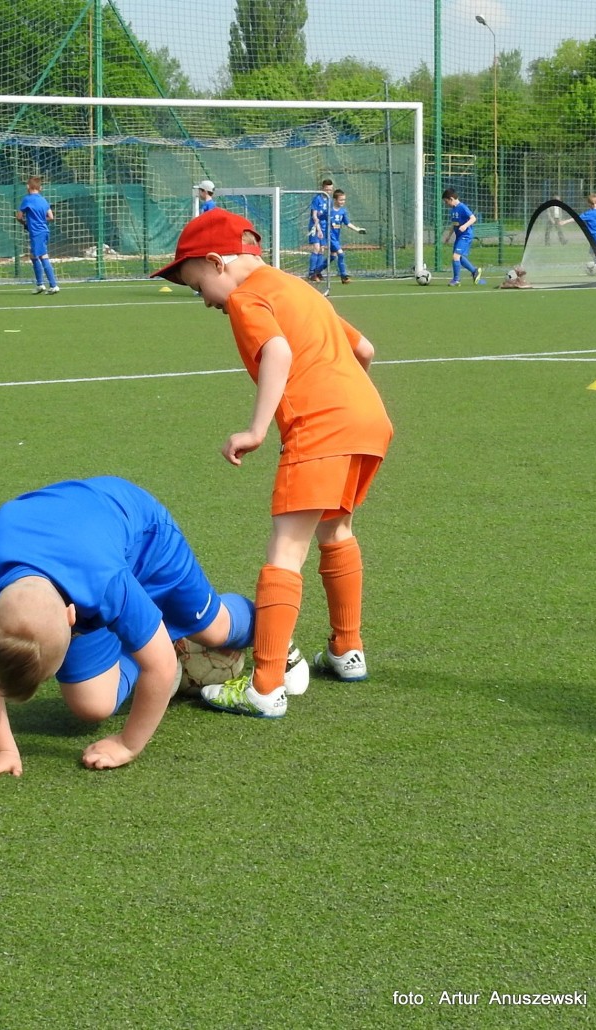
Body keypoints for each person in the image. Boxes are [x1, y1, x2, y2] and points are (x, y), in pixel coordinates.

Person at [151, 209, 393, 718]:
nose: (205, 301)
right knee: (337, 531)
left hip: (320, 426)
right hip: (368, 419)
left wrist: (257, 429)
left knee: (286, 549)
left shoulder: (244, 297)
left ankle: (263, 686)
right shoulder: (297, 287)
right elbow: (365, 348)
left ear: (217, 262)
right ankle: (347, 650)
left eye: (197, 287)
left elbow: (277, 352)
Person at [0, 476, 266, 777]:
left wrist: (128, 745)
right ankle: (150, 630)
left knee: (215, 630)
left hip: (146, 538)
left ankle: (270, 625)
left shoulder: (105, 583)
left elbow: (160, 666)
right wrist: (4, 750)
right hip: (81, 550)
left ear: (71, 618)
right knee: (92, 706)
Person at [15, 176, 59, 295]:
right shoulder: (43, 200)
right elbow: (51, 217)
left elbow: (19, 217)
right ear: (40, 188)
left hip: (36, 233)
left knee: (43, 257)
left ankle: (53, 285)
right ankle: (40, 284)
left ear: (28, 187)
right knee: (34, 256)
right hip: (44, 231)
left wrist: (25, 223)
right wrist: (40, 220)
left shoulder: (27, 199)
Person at [442, 187, 482, 287]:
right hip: (459, 236)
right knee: (458, 258)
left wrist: (465, 226)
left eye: (446, 202)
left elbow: (473, 218)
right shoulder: (453, 210)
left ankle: (456, 280)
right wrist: (448, 236)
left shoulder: (462, 207)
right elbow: (454, 224)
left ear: (451, 199)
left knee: (455, 256)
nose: (446, 204)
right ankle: (474, 271)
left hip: (466, 235)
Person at [327, 188, 367, 284]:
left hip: (336, 237)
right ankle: (344, 276)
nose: (343, 202)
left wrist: (357, 229)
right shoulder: (329, 210)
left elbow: (347, 223)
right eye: (341, 200)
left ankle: (316, 272)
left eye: (344, 200)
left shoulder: (343, 211)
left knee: (332, 257)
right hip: (329, 236)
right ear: (335, 200)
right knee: (341, 254)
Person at [307, 178, 333, 281]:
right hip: (316, 226)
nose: (328, 191)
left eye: (330, 190)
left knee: (322, 250)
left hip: (324, 227)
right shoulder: (317, 199)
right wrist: (319, 230)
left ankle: (318, 272)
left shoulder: (330, 200)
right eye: (326, 189)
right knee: (316, 248)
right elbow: (314, 216)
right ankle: (311, 272)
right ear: (322, 188)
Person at [569, 193, 596, 259]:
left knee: (594, 254)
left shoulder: (589, 214)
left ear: (589, 204)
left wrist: (564, 222)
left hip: (594, 237)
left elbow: (576, 218)